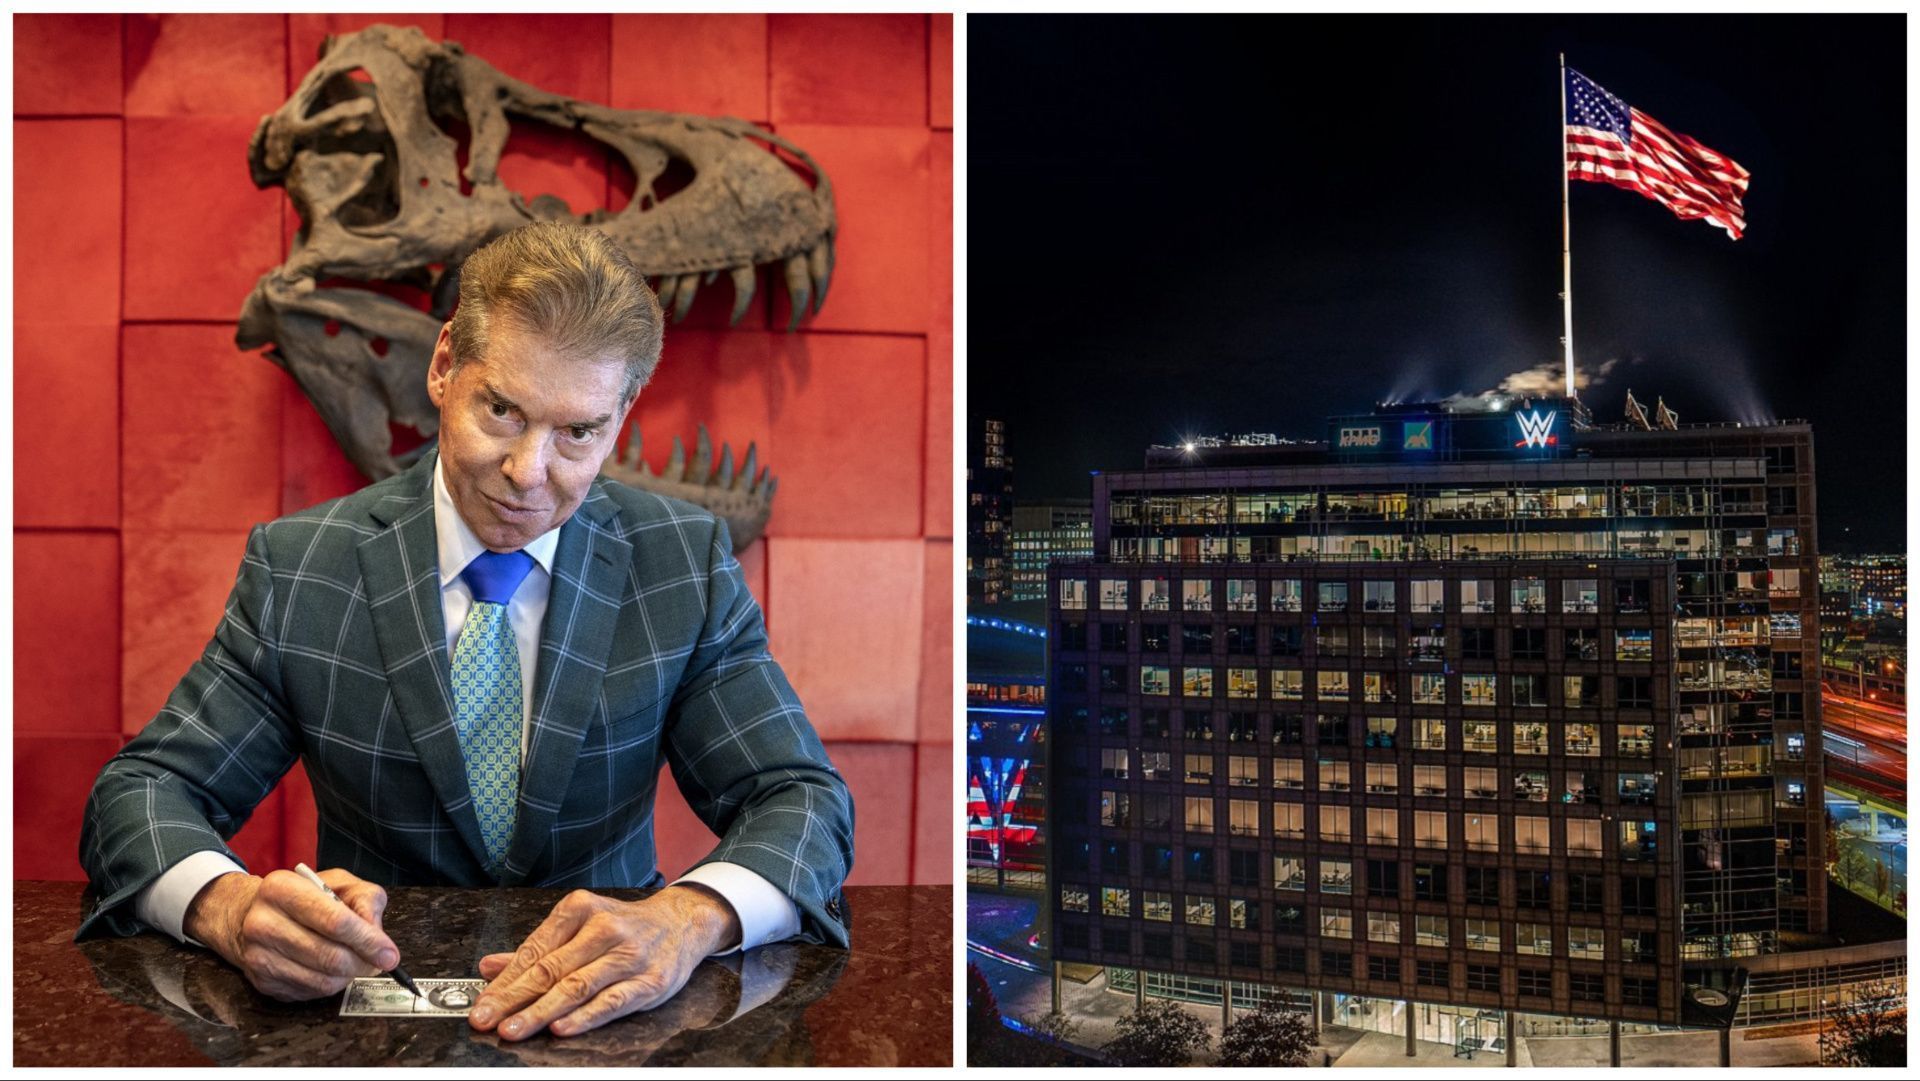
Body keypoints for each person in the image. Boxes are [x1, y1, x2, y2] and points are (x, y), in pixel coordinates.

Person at [78, 222, 854, 1041]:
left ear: (620, 417)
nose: (527, 472)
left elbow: (801, 799)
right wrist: (229, 908)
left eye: (576, 433)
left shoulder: (681, 564)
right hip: (367, 1027)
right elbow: (138, 795)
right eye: (502, 410)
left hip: (608, 1031)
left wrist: (690, 919)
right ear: (445, 364)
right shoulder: (301, 566)